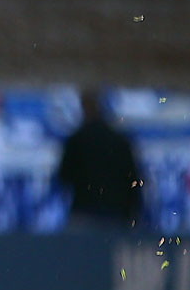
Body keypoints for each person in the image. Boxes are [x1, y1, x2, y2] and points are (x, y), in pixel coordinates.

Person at [55, 88, 142, 231]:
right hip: (115, 215)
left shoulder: (77, 140)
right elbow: (133, 181)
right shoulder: (119, 140)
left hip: (85, 214)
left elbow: (64, 177)